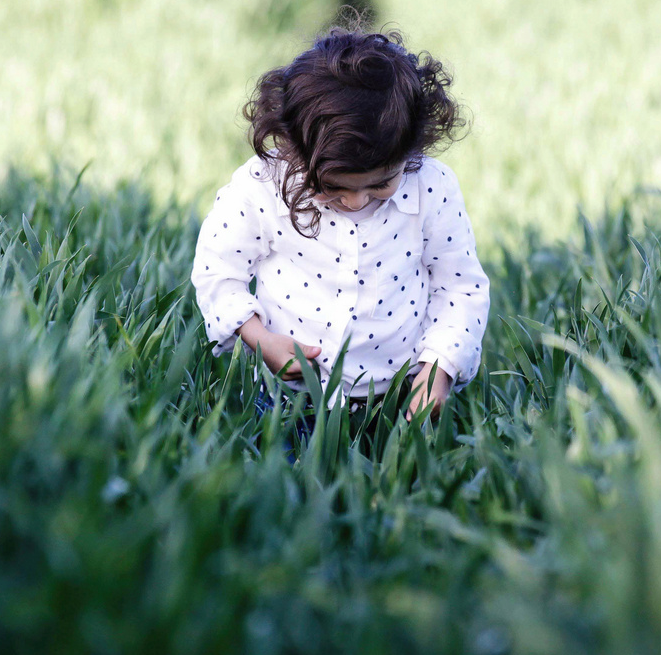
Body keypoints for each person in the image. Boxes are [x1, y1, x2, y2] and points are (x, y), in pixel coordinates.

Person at [192, 25, 489, 432]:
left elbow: (460, 287)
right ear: (294, 149)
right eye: (333, 187)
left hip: (396, 400)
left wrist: (439, 370)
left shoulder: (432, 188)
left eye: (381, 184)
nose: (356, 202)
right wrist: (260, 339)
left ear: (412, 150)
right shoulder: (262, 186)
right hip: (289, 396)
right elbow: (217, 270)